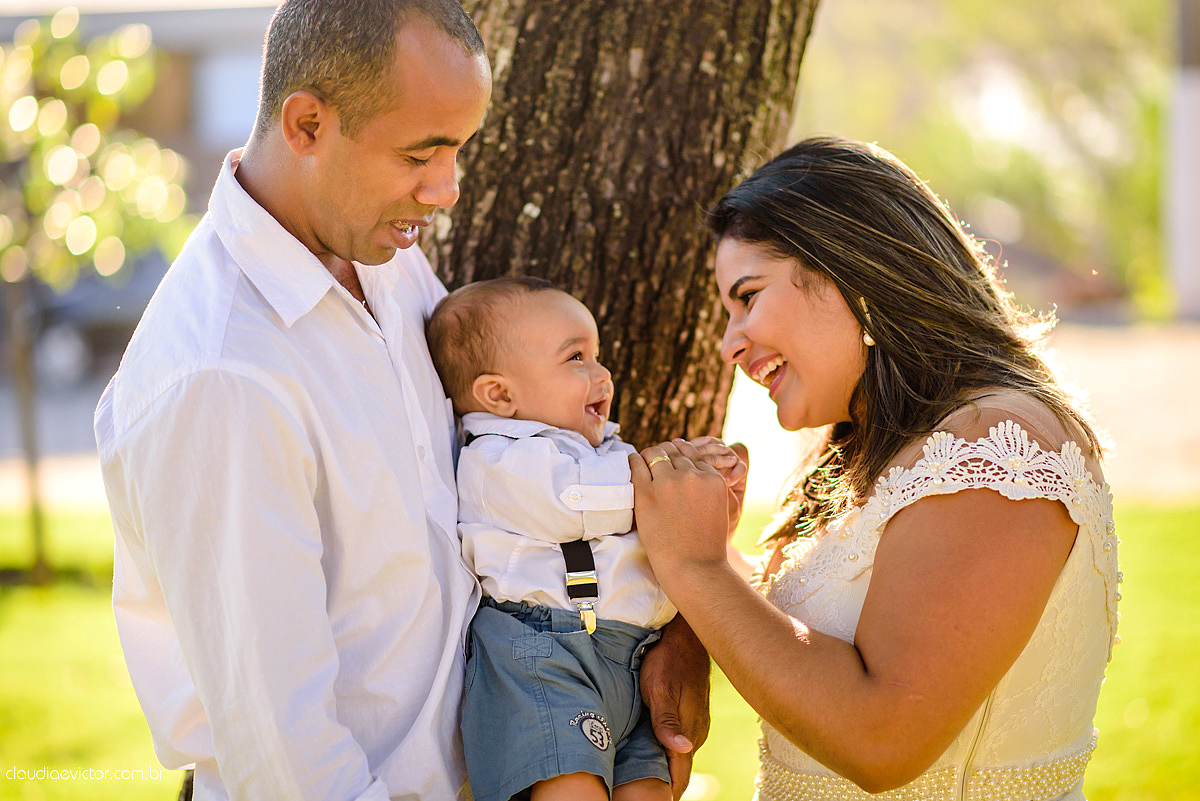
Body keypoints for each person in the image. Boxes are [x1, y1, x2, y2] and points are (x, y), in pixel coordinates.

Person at [94, 3, 708, 800]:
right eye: (422, 152)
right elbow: (287, 759)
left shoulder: (380, 255)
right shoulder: (220, 377)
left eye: (457, 149)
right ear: (308, 124)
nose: (447, 189)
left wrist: (666, 633)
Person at [629, 136, 1120, 800]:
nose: (728, 343)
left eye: (748, 296)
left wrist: (698, 568)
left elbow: (884, 736)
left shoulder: (998, 445)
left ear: (850, 269)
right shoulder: (875, 445)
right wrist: (696, 573)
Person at [425, 277, 746, 801]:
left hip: (631, 655)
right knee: (570, 787)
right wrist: (672, 480)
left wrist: (713, 493)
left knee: (648, 790)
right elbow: (573, 504)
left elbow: (658, 542)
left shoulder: (604, 453)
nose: (602, 374)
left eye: (597, 356)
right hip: (545, 653)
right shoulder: (499, 459)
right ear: (499, 394)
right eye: (576, 358)